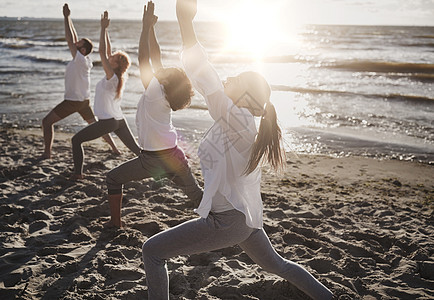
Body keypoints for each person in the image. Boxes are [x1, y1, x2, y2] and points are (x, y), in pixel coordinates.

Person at [141, 0, 334, 299]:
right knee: (279, 265)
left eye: (237, 79)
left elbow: (205, 76)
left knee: (152, 251)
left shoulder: (240, 120)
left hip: (227, 221)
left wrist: (186, 22)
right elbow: (209, 84)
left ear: (245, 97)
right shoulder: (236, 121)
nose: (228, 79)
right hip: (244, 219)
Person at [104, 1, 203, 228]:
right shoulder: (165, 92)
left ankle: (115, 223)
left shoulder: (155, 91)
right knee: (196, 195)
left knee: (113, 178)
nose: (162, 69)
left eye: (166, 71)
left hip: (152, 159)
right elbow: (155, 57)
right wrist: (150, 28)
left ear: (167, 80)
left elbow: (144, 60)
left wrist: (144, 27)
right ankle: (224, 217)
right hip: (175, 156)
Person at [41, 3, 119, 159]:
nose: (75, 44)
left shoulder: (80, 60)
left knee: (46, 122)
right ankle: (115, 149)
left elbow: (70, 40)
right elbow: (74, 39)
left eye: (79, 44)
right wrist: (69, 18)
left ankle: (47, 154)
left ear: (82, 50)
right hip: (83, 101)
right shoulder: (84, 59)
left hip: (73, 101)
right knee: (97, 126)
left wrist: (65, 17)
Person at [70, 11, 141, 180]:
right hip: (119, 120)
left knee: (76, 140)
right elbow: (107, 51)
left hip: (108, 122)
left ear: (116, 64)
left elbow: (102, 52)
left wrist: (102, 29)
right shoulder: (118, 77)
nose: (110, 57)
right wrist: (106, 30)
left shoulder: (112, 77)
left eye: (114, 58)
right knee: (138, 151)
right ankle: (164, 166)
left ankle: (78, 174)